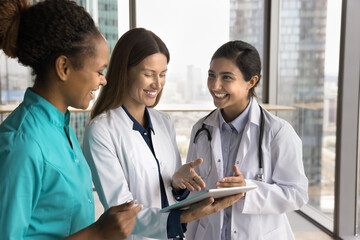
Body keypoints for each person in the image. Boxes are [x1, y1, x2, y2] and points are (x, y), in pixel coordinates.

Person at [82, 28, 242, 240]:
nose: (157, 84)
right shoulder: (101, 131)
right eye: (148, 74)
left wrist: (178, 183)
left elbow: (170, 194)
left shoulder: (163, 122)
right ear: (125, 71)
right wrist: (184, 218)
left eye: (163, 74)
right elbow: (122, 214)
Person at [0, 0, 142, 239]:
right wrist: (98, 232)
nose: (103, 81)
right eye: (99, 71)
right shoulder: (22, 144)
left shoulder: (61, 127)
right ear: (64, 67)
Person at [181, 40, 309, 240]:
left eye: (227, 77)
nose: (215, 85)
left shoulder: (278, 132)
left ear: (251, 82)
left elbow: (297, 194)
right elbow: (194, 197)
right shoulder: (201, 129)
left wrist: (248, 190)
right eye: (211, 75)